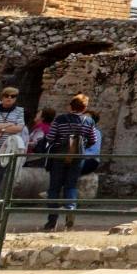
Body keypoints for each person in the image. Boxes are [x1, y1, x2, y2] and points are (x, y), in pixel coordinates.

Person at [41, 94, 94, 232]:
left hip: (59, 156)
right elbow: (92, 139)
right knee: (71, 186)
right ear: (85, 107)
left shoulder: (60, 119)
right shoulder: (89, 121)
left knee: (54, 188)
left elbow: (51, 137)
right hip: (77, 157)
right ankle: (70, 216)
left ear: (70, 106)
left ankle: (51, 222)